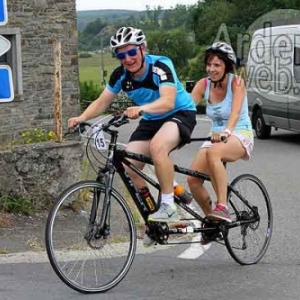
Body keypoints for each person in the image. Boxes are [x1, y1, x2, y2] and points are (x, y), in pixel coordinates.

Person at [68, 27, 197, 226]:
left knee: (157, 147)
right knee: (130, 166)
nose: (127, 59)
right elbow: (102, 102)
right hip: (152, 119)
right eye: (121, 55)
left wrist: (142, 108)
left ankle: (169, 206)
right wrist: (81, 117)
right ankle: (156, 222)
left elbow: (168, 102)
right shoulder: (120, 75)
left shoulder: (160, 66)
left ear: (142, 49)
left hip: (179, 113)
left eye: (131, 52)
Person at [187, 41, 254, 223]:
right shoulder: (203, 84)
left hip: (239, 133)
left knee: (214, 152)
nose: (211, 69)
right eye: (209, 64)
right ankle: (212, 220)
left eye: (217, 65)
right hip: (215, 136)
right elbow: (186, 108)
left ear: (227, 66)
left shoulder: (236, 83)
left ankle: (222, 206)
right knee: (192, 179)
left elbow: (235, 112)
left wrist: (226, 132)